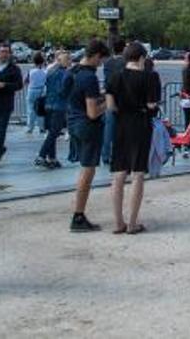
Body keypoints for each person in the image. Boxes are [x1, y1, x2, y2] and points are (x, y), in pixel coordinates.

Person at [107, 42, 161, 234]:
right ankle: (132, 223)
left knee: (119, 173)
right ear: (141, 57)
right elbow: (152, 104)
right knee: (138, 172)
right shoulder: (150, 77)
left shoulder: (115, 76)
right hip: (140, 124)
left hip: (121, 124)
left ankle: (118, 222)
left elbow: (111, 105)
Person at [66, 40, 110, 231]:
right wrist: (108, 101)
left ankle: (78, 213)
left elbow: (75, 97)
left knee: (84, 169)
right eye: (101, 60)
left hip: (73, 121)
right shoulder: (89, 77)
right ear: (96, 56)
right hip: (88, 125)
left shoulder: (73, 71)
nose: (101, 64)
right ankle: (78, 215)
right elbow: (93, 112)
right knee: (88, 170)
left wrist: (99, 95)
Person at [36, 49, 71, 169]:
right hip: (59, 105)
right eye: (67, 60)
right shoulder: (65, 73)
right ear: (60, 60)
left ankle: (52, 158)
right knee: (54, 132)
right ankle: (41, 155)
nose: (69, 62)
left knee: (51, 132)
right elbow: (62, 91)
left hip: (48, 104)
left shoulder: (50, 71)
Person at [100, 38, 127, 166]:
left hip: (109, 96)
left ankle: (105, 155)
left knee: (108, 128)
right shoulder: (125, 62)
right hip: (122, 98)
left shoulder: (108, 62)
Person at [24, 52, 47, 135]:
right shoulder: (45, 71)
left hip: (31, 90)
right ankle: (42, 127)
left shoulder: (31, 71)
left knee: (30, 109)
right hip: (41, 90)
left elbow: (26, 81)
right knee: (40, 110)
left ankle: (30, 128)